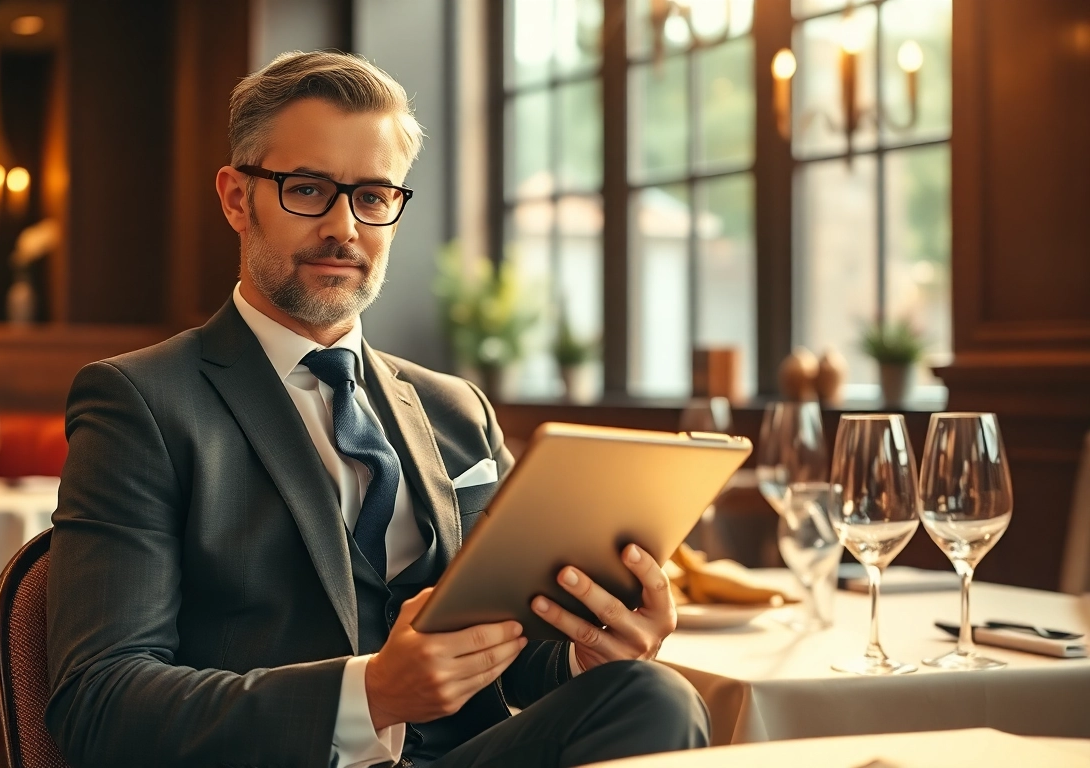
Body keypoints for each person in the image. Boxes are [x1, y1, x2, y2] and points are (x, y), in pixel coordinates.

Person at [45, 50, 709, 768]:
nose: (345, 228)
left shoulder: (457, 412)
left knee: (650, 692)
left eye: (371, 196)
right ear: (237, 199)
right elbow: (99, 702)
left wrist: (588, 651)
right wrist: (371, 696)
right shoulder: (140, 401)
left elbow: (520, 660)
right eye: (307, 189)